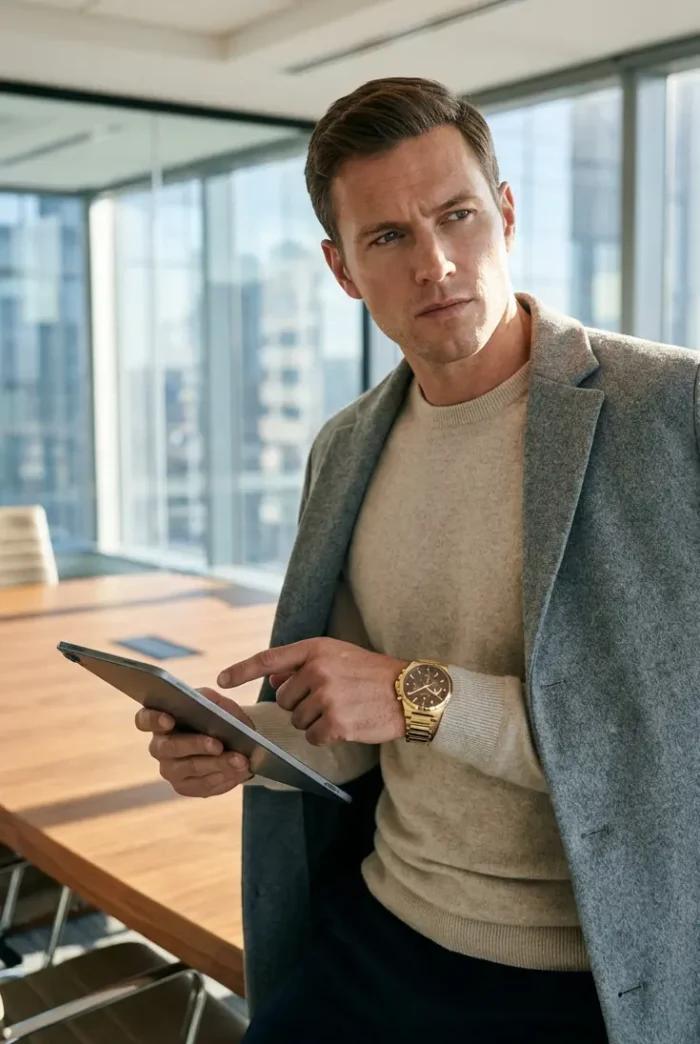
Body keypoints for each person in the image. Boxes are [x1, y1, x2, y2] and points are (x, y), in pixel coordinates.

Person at [135, 77, 700, 1044]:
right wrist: (252, 747)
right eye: (389, 237)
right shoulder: (345, 447)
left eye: (458, 216)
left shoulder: (671, 412)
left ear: (506, 213)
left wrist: (422, 695)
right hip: (380, 931)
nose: (437, 264)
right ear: (342, 269)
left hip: (597, 978)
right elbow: (362, 725)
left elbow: (664, 744)